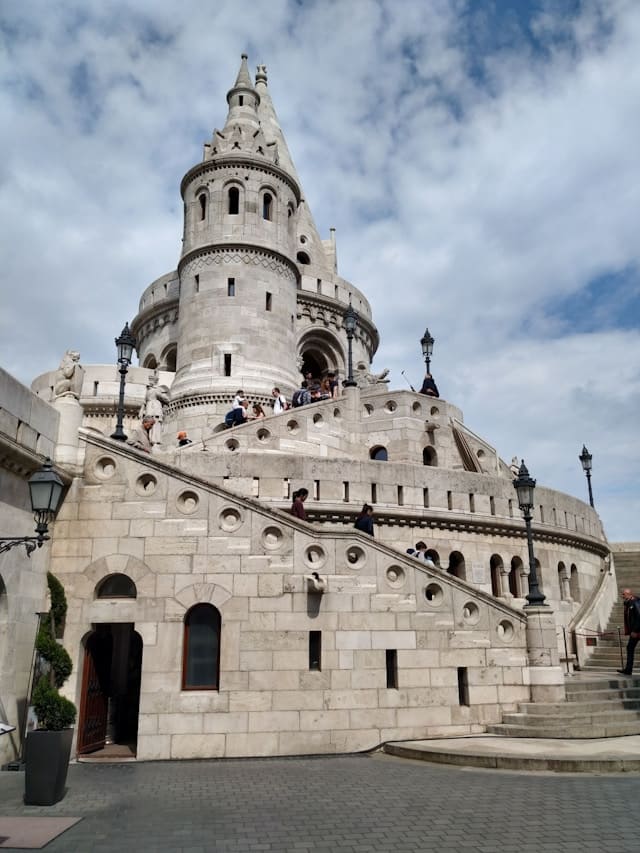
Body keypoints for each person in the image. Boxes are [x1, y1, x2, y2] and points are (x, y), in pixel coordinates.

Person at [140, 372, 170, 447]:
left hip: (152, 408)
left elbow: (144, 402)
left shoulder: (152, 391)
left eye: (151, 381)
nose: (149, 382)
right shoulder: (153, 390)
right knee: (153, 424)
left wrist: (141, 411)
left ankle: (153, 439)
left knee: (153, 424)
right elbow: (164, 399)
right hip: (153, 408)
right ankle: (153, 439)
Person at [617, 589, 640, 676]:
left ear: (629, 594)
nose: (622, 596)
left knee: (630, 648)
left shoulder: (635, 602)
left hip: (637, 631)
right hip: (635, 631)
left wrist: (635, 630)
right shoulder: (629, 603)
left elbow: (639, 617)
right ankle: (628, 669)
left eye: (623, 594)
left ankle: (628, 669)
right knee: (629, 648)